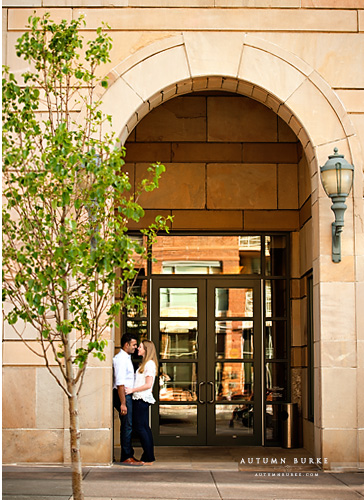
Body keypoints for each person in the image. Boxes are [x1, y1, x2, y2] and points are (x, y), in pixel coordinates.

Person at [125, 340, 158, 465]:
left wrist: (132, 390)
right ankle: (148, 456)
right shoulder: (145, 364)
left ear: (146, 349)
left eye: (140, 347)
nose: (138, 348)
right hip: (140, 398)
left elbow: (148, 384)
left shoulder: (149, 364)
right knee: (144, 428)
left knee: (141, 428)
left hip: (141, 399)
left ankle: (148, 457)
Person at [113, 333, 142, 466]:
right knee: (127, 426)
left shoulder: (126, 358)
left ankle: (128, 454)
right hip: (123, 395)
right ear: (126, 344)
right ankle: (126, 456)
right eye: (134, 345)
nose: (135, 347)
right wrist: (123, 403)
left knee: (128, 425)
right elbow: (120, 383)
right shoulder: (120, 359)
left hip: (126, 395)